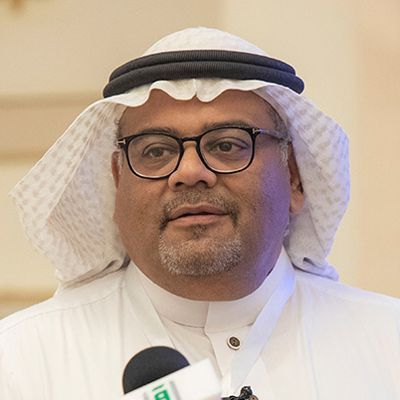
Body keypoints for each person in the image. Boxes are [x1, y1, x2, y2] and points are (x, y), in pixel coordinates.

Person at [1, 27, 399, 400]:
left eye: (227, 145)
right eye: (156, 151)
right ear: (118, 182)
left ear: (294, 177)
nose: (190, 172)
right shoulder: (21, 364)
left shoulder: (387, 344)